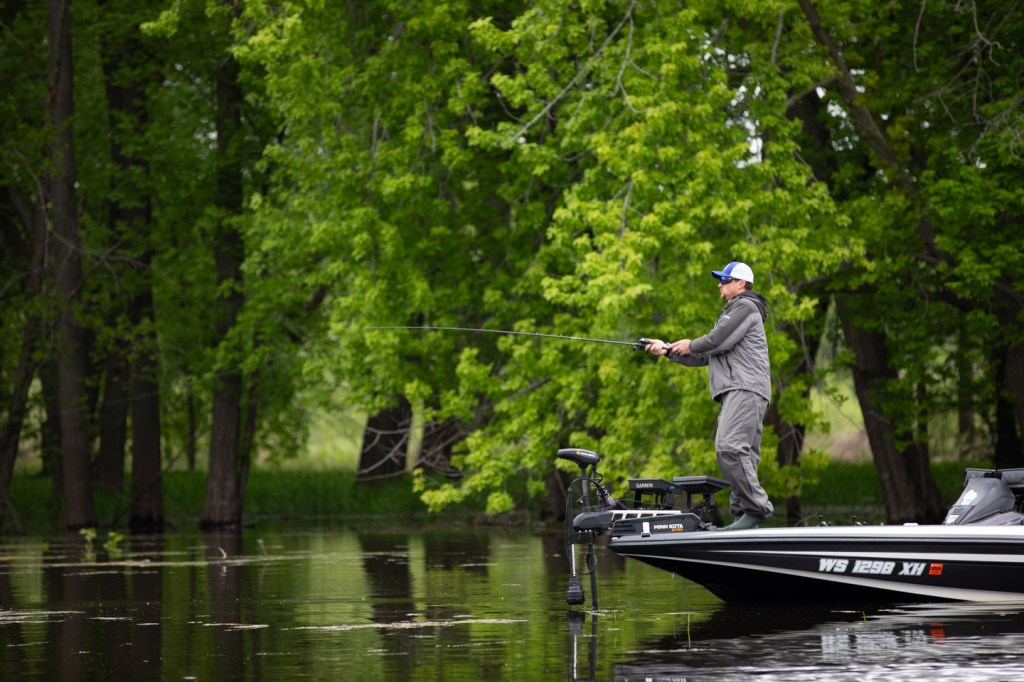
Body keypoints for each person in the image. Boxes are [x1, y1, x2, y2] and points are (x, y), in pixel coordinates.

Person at [644, 261, 774, 530]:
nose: (719, 285)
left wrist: (689, 344)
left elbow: (713, 341)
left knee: (729, 447)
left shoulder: (745, 306)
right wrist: (667, 350)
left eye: (724, 280)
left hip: (745, 388)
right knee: (744, 454)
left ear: (741, 283)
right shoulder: (735, 312)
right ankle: (745, 519)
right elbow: (706, 354)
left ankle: (756, 509)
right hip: (742, 390)